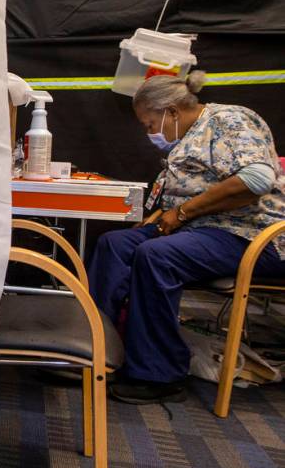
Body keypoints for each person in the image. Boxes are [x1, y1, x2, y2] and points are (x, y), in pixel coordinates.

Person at [87, 71, 285, 404]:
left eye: (151, 125)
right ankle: (94, 351)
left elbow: (256, 178)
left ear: (172, 112)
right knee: (115, 245)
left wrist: (181, 213)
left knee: (157, 255)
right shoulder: (189, 136)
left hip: (251, 232)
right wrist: (170, 213)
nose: (150, 133)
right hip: (200, 228)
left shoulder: (228, 121)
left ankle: (158, 373)